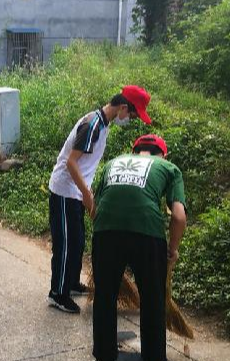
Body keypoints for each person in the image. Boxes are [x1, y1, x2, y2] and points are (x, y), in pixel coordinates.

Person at [47, 85, 152, 314]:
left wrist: (87, 192)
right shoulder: (93, 125)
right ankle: (58, 293)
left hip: (76, 190)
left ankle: (71, 282)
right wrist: (86, 193)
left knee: (77, 240)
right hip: (65, 190)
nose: (131, 119)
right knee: (66, 244)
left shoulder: (103, 124)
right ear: (123, 107)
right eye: (132, 115)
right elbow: (71, 162)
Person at [91, 134, 187, 361]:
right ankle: (153, 356)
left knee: (105, 295)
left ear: (135, 152)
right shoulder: (169, 168)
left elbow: (94, 206)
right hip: (147, 233)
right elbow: (179, 217)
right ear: (162, 154)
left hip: (105, 231)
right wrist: (172, 249)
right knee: (153, 299)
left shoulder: (112, 163)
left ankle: (104, 353)